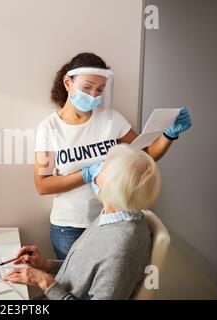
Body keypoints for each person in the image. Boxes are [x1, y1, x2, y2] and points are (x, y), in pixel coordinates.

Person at [34, 52, 191, 259]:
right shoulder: (49, 128)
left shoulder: (112, 120)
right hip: (70, 228)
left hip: (112, 221)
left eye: (99, 90)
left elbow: (146, 155)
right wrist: (88, 173)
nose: (93, 95)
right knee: (73, 288)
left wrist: (170, 134)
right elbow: (43, 184)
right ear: (67, 82)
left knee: (108, 288)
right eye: (87, 87)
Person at [5, 144, 160, 299]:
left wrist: (44, 282)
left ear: (113, 187)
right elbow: (83, 272)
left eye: (102, 168)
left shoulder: (123, 249)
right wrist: (46, 265)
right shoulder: (111, 216)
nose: (95, 170)